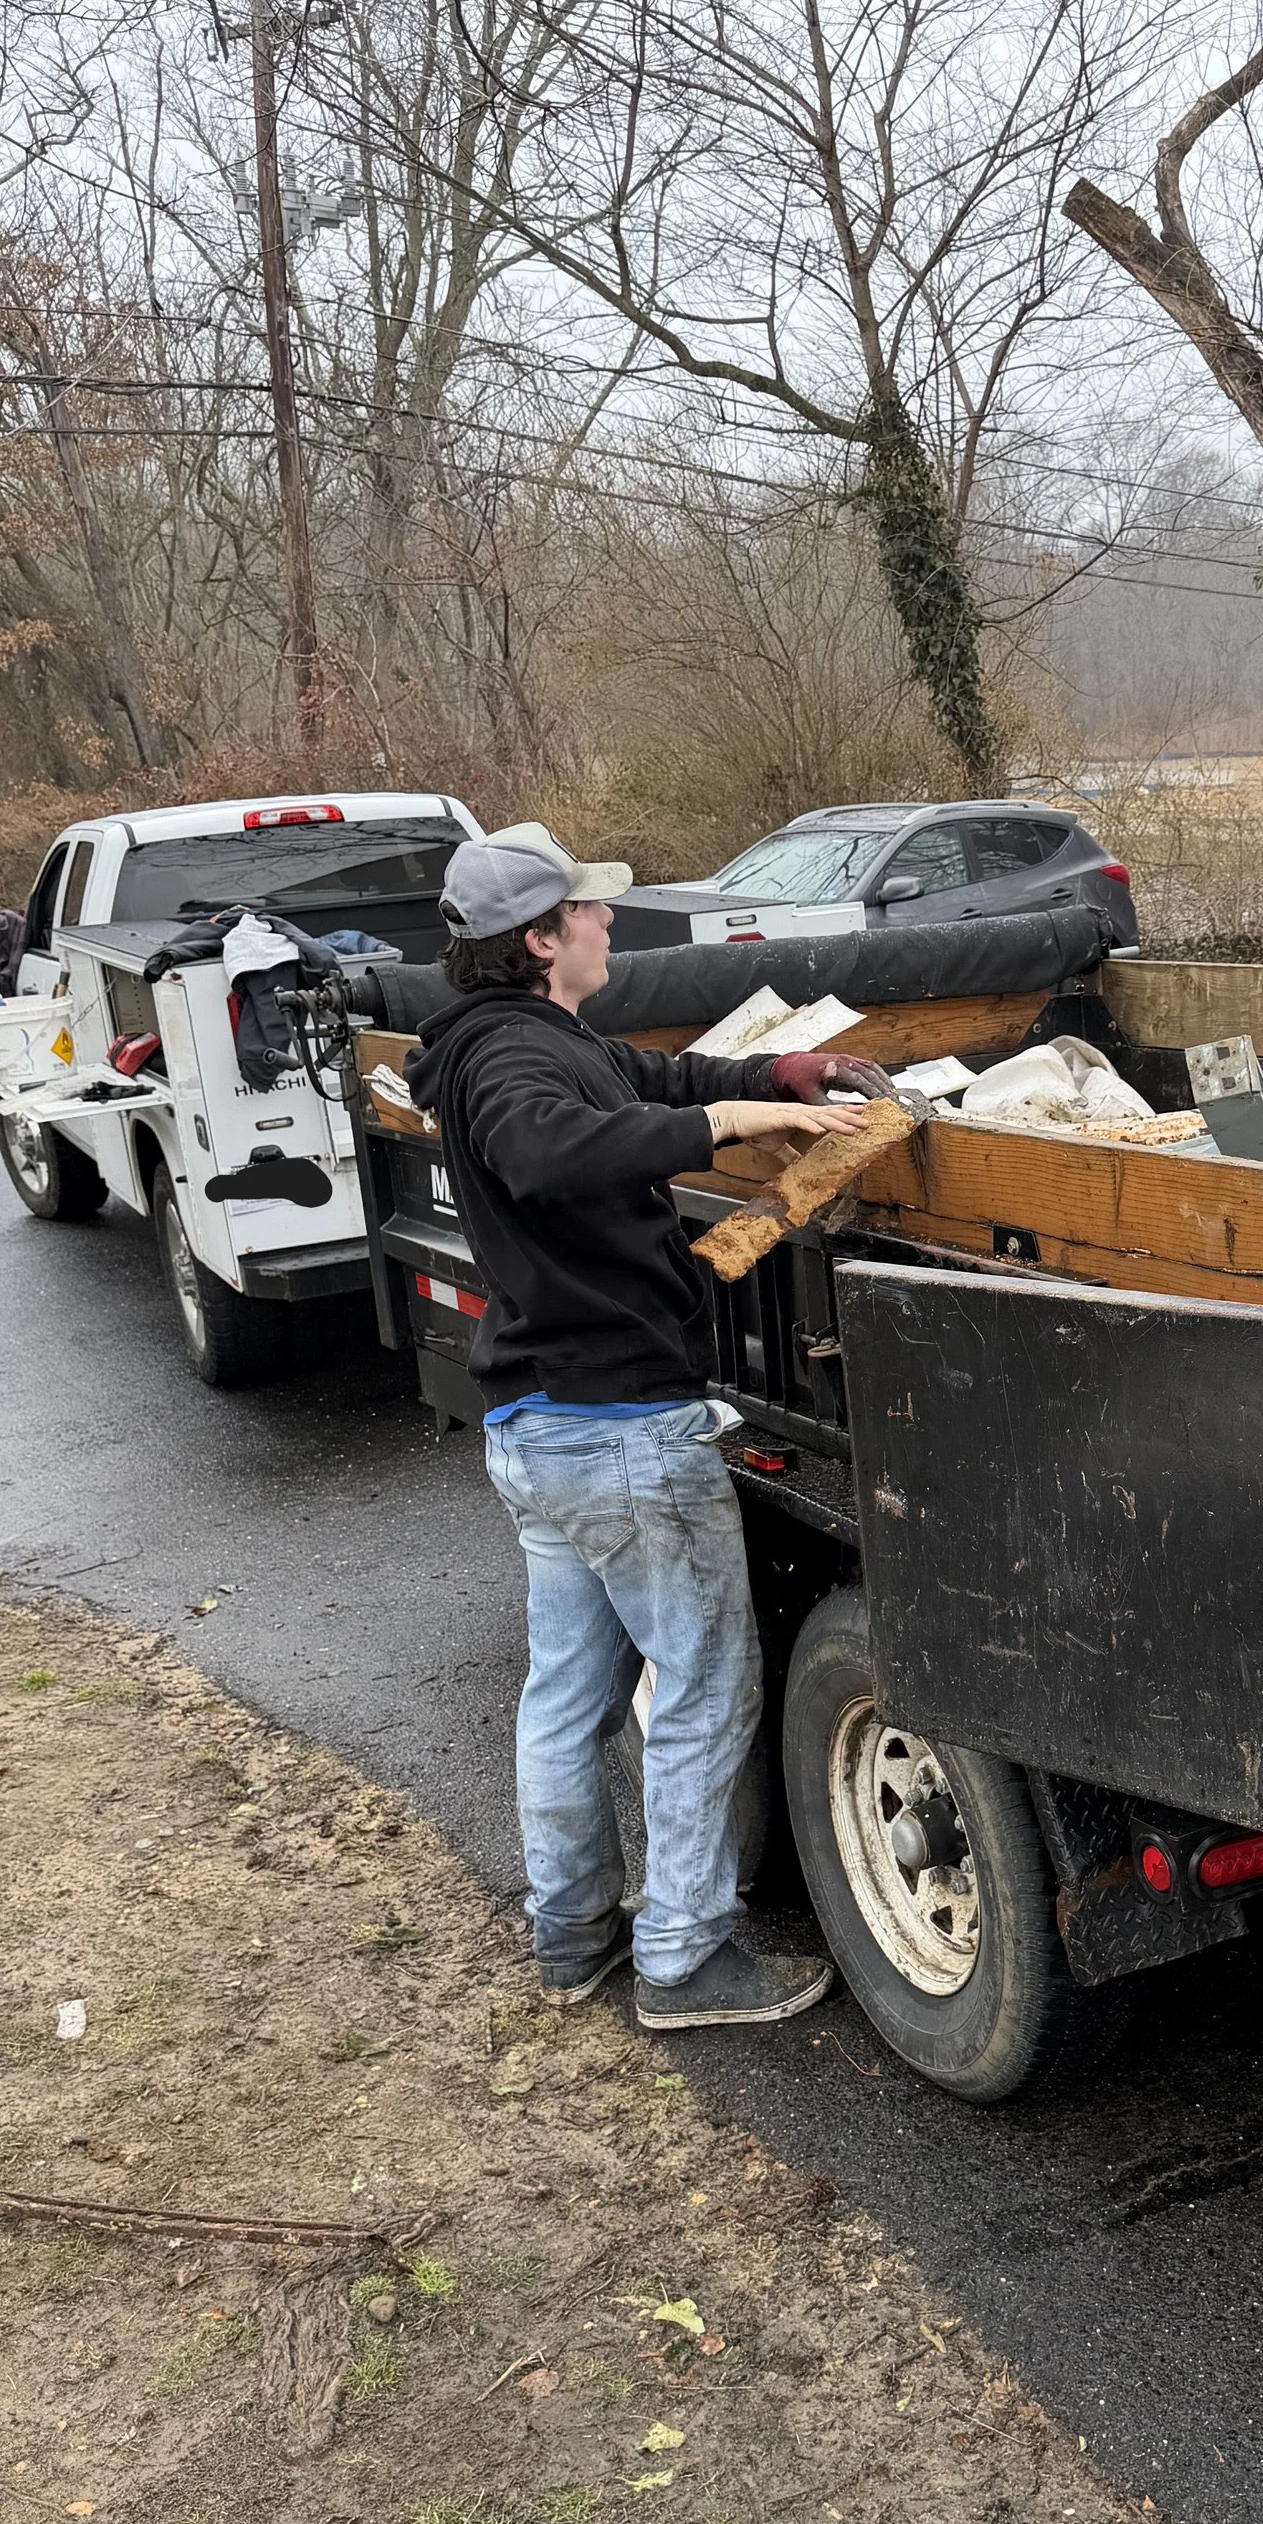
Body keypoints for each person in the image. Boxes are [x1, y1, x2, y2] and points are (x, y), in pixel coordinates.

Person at [409, 823, 889, 2031]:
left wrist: (768, 1079)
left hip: (544, 1425)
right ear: (539, 940)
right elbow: (554, 1147)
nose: (607, 923)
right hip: (618, 1427)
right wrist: (726, 1130)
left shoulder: (515, 1038)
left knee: (566, 1699)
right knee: (707, 1689)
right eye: (588, 911)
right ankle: (682, 1960)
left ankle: (571, 1934)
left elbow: (634, 1082)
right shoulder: (511, 1066)